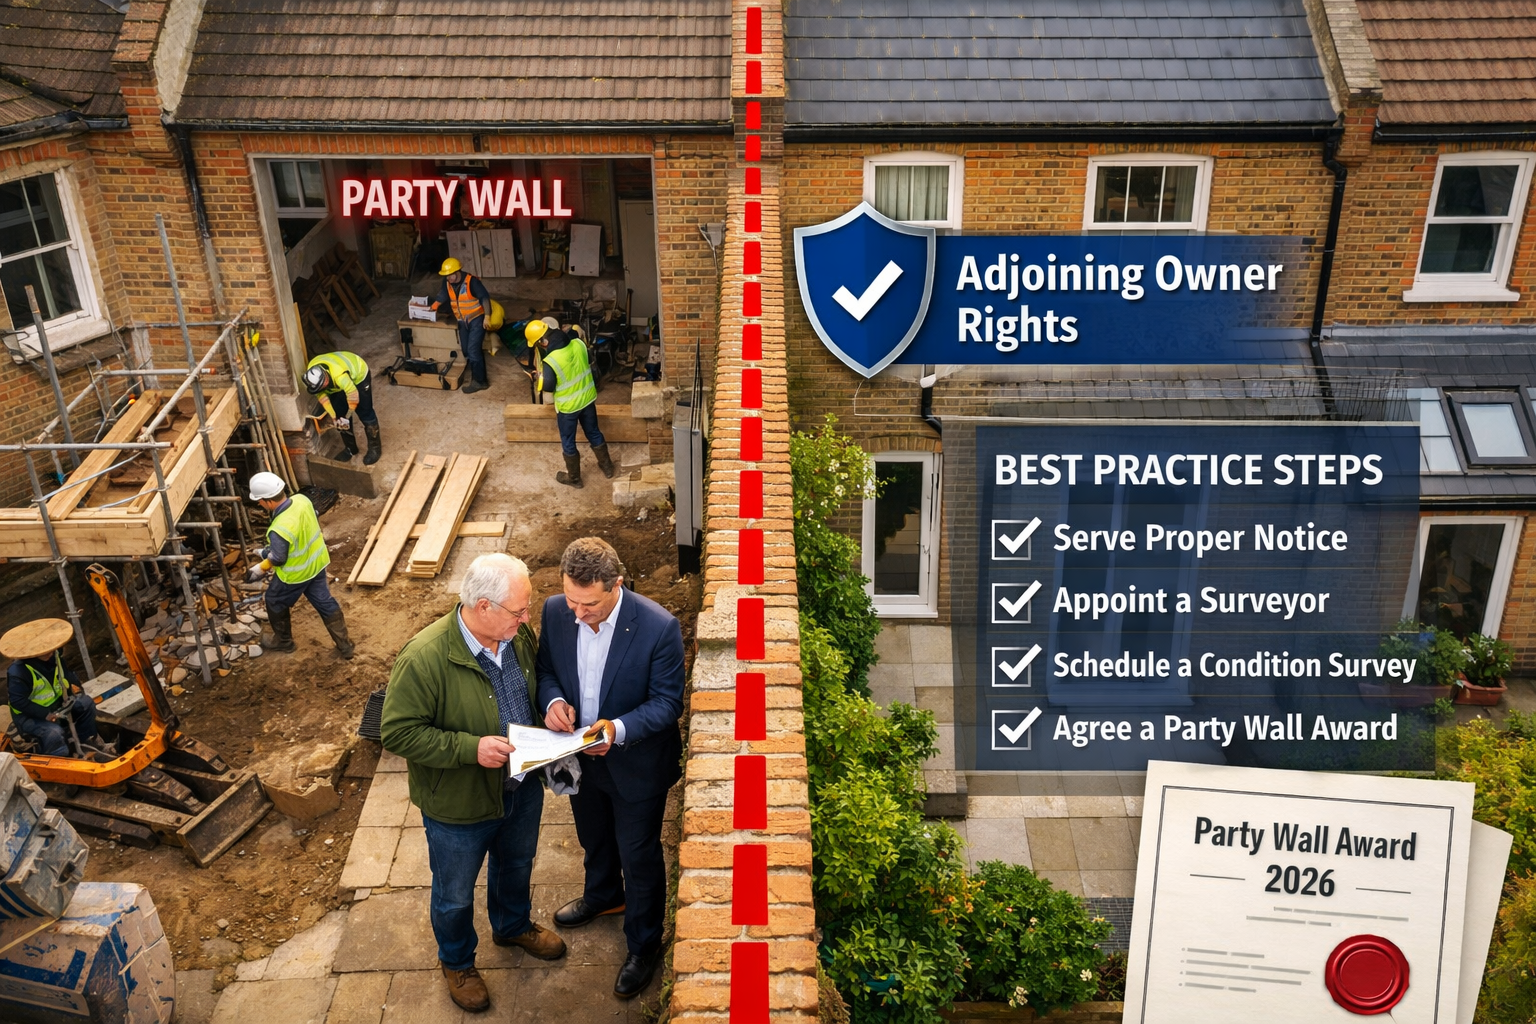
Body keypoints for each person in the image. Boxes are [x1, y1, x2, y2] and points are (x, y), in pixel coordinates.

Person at [380, 553, 567, 1013]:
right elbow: (398, 733)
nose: (527, 619)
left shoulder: (513, 634)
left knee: (517, 865)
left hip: (520, 787)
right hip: (458, 806)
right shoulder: (424, 658)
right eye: (519, 610)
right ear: (483, 606)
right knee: (454, 894)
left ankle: (512, 926)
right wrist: (470, 748)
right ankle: (458, 961)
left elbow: (535, 682)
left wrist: (549, 707)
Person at [536, 537, 684, 999]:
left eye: (590, 605)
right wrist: (553, 702)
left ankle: (644, 944)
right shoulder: (555, 610)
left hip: (636, 764)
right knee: (593, 835)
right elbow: (546, 670)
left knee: (638, 856)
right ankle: (603, 896)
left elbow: (668, 703)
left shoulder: (659, 627)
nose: (578, 613)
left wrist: (616, 730)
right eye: (572, 601)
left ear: (616, 585)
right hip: (579, 756)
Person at [245, 471, 354, 659]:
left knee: (274, 600)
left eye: (259, 501)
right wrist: (269, 551)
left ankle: (284, 642)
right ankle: (345, 646)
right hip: (316, 563)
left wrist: (261, 565)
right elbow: (301, 531)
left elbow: (279, 558)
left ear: (268, 501)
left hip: (295, 575)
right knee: (324, 601)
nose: (260, 505)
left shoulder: (279, 527)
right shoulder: (302, 500)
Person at [526, 318, 615, 488]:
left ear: (543, 342)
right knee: (594, 432)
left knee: (568, 441)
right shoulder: (578, 344)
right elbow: (585, 361)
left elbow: (549, 387)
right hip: (587, 400)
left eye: (538, 344)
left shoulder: (551, 361)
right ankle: (607, 467)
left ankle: (574, 479)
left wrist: (540, 377)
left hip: (568, 408)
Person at [2, 618, 103, 757]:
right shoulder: (19, 672)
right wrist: (45, 714)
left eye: (50, 649)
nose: (49, 653)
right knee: (54, 733)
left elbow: (65, 675)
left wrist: (74, 690)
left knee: (86, 704)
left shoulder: (55, 656)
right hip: (31, 715)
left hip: (58, 705)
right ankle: (58, 756)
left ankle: (86, 741)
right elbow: (18, 702)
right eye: (44, 651)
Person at [303, 351, 382, 465]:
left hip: (358, 374)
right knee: (339, 414)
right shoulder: (312, 378)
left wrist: (348, 416)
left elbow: (353, 398)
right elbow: (323, 398)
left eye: (322, 387)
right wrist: (334, 417)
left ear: (325, 379)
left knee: (365, 412)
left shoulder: (340, 376)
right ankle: (351, 449)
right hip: (336, 381)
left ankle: (375, 449)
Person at [431, 258, 492, 394]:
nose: (448, 278)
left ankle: (480, 382)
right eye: (446, 276)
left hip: (476, 319)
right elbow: (443, 293)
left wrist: (487, 316)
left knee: (473, 350)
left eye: (450, 275)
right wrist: (435, 305)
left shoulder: (472, 282)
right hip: (462, 320)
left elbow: (484, 298)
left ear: (457, 271)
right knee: (466, 350)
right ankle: (477, 367)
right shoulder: (447, 281)